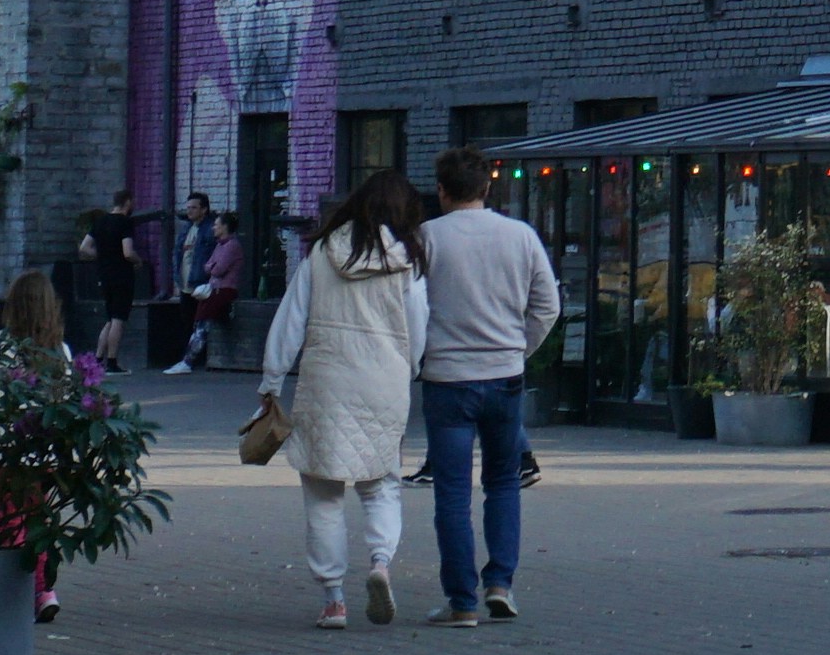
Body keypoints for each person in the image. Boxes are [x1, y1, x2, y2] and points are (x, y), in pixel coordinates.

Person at [256, 167, 429, 628]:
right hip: (384, 382)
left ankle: (333, 598)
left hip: (327, 382)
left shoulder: (320, 256)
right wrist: (408, 370)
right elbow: (418, 326)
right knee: (382, 485)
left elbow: (290, 320)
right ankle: (380, 562)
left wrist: (272, 380)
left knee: (323, 493)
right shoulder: (408, 261)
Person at [407, 149, 562, 627]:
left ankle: (462, 602)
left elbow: (409, 309)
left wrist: (418, 360)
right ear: (488, 187)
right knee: (503, 483)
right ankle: (501, 583)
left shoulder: (425, 239)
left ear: (441, 188)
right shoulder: (521, 236)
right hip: (504, 378)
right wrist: (518, 350)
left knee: (452, 493)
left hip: (447, 380)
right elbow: (547, 306)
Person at [69, 196, 147, 369]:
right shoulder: (125, 223)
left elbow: (84, 248)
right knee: (119, 318)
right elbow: (127, 252)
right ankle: (112, 361)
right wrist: (138, 260)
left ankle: (98, 359)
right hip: (122, 275)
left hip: (104, 275)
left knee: (110, 318)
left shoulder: (100, 221)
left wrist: (102, 256)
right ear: (127, 203)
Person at [169, 192, 238, 373]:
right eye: (188, 207)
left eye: (194, 207)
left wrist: (209, 270)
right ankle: (188, 358)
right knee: (188, 320)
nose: (189, 211)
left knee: (200, 321)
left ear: (204, 209)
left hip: (205, 284)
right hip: (186, 282)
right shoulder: (186, 229)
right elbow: (180, 254)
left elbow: (215, 267)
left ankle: (191, 360)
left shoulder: (217, 236)